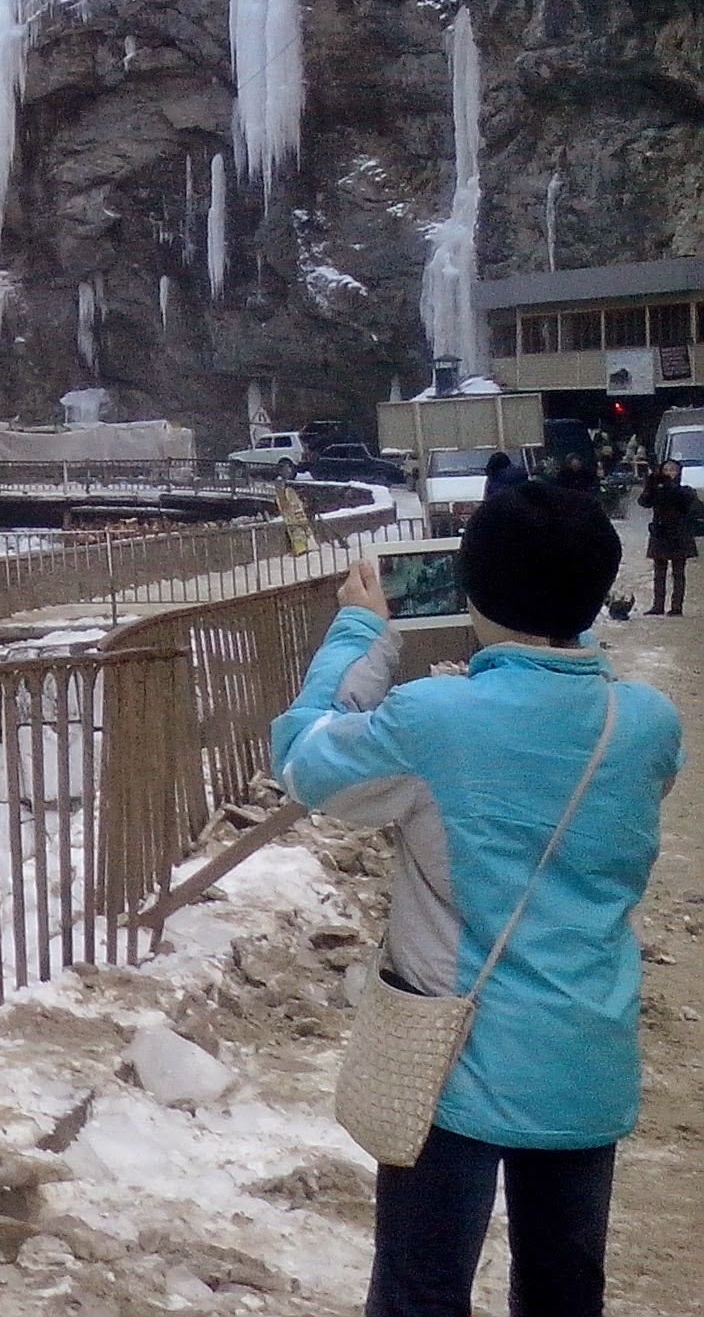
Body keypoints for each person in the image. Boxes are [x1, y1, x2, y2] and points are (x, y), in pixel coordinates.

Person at [272, 484, 683, 1317]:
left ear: (471, 588)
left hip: (449, 1063)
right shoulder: (647, 722)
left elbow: (306, 761)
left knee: (421, 1292)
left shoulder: (437, 719)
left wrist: (358, 632)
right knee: (566, 1292)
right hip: (583, 1051)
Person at [638, 460, 697, 616]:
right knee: (659, 573)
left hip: (679, 535)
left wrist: (670, 487)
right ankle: (658, 606)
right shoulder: (657, 489)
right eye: (666, 470)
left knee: (678, 573)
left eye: (673, 470)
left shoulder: (686, 490)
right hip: (660, 533)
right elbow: (644, 502)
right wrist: (650, 487)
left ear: (679, 472)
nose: (669, 473)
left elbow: (686, 503)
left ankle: (677, 607)